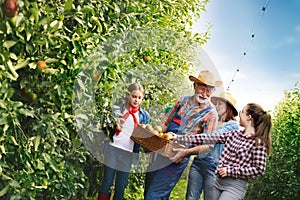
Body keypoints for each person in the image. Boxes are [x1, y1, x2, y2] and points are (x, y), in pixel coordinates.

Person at [144, 70, 222, 200]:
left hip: (177, 158)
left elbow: (208, 146)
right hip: (160, 151)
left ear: (213, 91)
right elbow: (165, 123)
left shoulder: (211, 114)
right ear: (194, 86)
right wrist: (154, 135)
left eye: (208, 90)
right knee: (150, 190)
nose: (205, 93)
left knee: (154, 195)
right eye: (202, 88)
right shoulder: (182, 101)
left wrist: (186, 152)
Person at [173, 103, 272, 200]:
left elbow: (259, 169)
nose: (239, 114)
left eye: (242, 112)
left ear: (249, 117)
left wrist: (230, 171)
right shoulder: (235, 134)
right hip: (218, 182)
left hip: (235, 186)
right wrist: (178, 138)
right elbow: (208, 137)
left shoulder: (258, 142)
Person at [98, 83, 150, 200]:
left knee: (121, 186)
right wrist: (113, 126)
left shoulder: (144, 116)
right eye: (134, 96)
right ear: (128, 96)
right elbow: (105, 127)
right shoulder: (118, 109)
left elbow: (145, 134)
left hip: (128, 152)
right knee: (107, 181)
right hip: (113, 148)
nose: (136, 100)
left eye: (139, 98)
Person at [184, 92, 239, 200]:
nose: (216, 106)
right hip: (198, 163)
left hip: (214, 168)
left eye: (220, 104)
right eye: (216, 104)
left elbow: (214, 137)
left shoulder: (232, 125)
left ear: (228, 108)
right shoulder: (211, 121)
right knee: (191, 197)